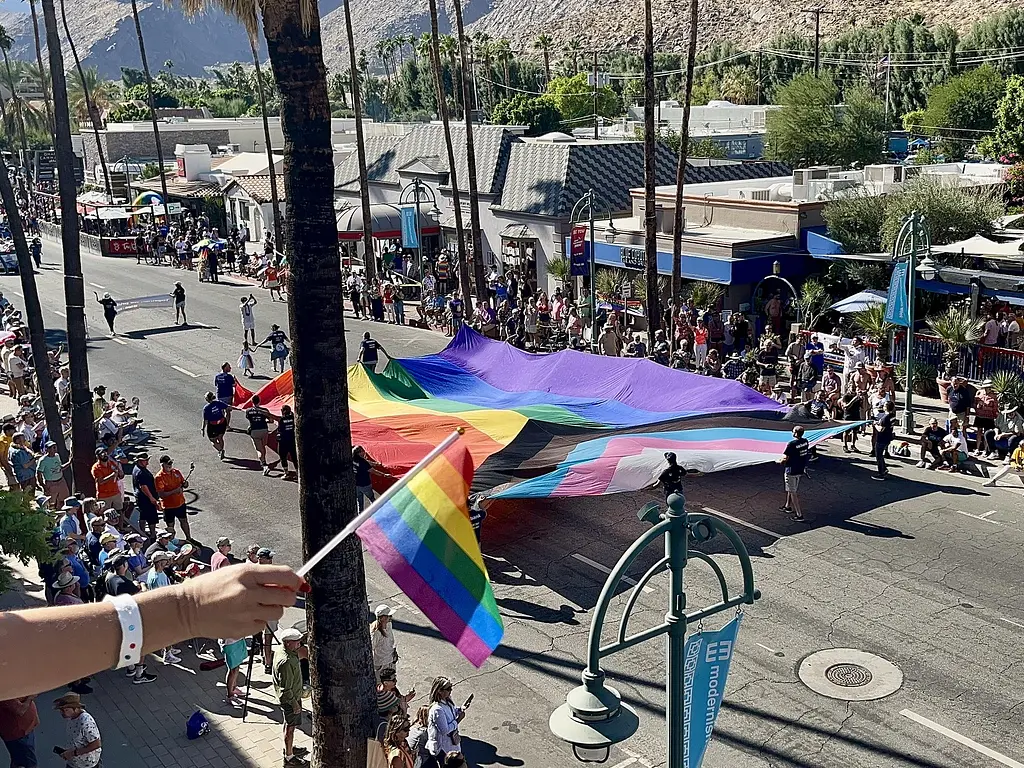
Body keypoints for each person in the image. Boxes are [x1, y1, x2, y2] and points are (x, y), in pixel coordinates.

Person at [273, 628, 309, 767]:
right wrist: (295, 704)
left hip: (292, 696)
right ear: (288, 643)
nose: (299, 643)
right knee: (291, 728)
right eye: (297, 641)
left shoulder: (283, 651)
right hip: (290, 700)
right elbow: (286, 689)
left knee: (288, 724)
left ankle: (288, 748)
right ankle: (289, 757)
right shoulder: (286, 661)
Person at [53, 693, 101, 768]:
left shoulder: (86, 722)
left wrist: (72, 753)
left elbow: (96, 744)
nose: (62, 713)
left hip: (86, 765)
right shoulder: (72, 717)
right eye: (61, 710)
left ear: (75, 708)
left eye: (65, 710)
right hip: (74, 762)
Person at [425, 677, 466, 764]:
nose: (450, 691)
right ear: (439, 691)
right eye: (448, 689)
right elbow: (445, 730)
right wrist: (458, 720)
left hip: (452, 743)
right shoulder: (437, 709)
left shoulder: (447, 700)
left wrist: (459, 710)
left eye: (451, 688)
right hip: (443, 748)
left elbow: (451, 712)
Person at [155, 455, 192, 542]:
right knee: (170, 526)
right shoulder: (159, 477)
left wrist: (186, 484)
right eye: (168, 463)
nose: (170, 465)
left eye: (171, 463)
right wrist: (174, 491)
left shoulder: (176, 472)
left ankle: (189, 538)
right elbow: (161, 495)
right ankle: (171, 541)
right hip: (169, 506)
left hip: (180, 503)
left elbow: (184, 483)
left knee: (184, 521)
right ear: (162, 464)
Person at [779, 425, 810, 521]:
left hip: (791, 470)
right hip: (800, 469)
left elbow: (785, 458)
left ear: (796, 433)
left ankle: (799, 514)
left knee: (793, 491)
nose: (792, 433)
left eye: (793, 431)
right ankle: (787, 506)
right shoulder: (805, 442)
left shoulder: (791, 444)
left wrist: (778, 461)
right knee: (791, 488)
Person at [0, 694, 39, 768]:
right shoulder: (6, 694)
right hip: (18, 734)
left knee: (18, 759)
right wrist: (30, 697)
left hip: (25, 729)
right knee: (28, 762)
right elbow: (20, 710)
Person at [243, 394, 277, 474]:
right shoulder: (264, 410)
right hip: (264, 430)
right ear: (259, 401)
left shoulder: (248, 411)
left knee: (259, 449)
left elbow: (249, 418)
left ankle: (264, 465)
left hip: (255, 431)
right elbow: (271, 421)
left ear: (252, 402)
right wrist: (265, 421)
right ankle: (264, 460)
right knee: (263, 446)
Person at [131, 453, 160, 540]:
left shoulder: (137, 469)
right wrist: (151, 498)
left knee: (143, 516)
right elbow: (143, 487)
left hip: (141, 498)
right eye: (145, 460)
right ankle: (152, 536)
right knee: (151, 518)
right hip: (146, 498)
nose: (147, 462)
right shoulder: (141, 472)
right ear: (139, 461)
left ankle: (142, 533)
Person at [353, 445, 389, 512]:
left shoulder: (353, 459)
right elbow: (373, 471)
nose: (364, 452)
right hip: (365, 484)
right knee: (372, 499)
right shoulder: (363, 462)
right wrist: (384, 475)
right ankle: (376, 512)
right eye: (362, 451)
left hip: (356, 484)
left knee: (359, 501)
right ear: (359, 453)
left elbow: (366, 462)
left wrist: (375, 464)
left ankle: (360, 515)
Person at [91, 447, 124, 518]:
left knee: (119, 511)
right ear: (98, 456)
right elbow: (100, 482)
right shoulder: (96, 468)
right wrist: (111, 476)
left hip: (115, 492)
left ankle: (120, 528)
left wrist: (120, 473)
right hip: (104, 495)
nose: (104, 454)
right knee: (105, 514)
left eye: (105, 452)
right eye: (102, 453)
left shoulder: (111, 463)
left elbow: (120, 474)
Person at [371, 604, 399, 681]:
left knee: (392, 681)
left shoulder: (389, 625)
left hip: (390, 660)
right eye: (389, 616)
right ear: (382, 618)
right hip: (381, 663)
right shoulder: (376, 632)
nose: (391, 617)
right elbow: (372, 647)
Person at [972, 379, 999, 456]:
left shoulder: (994, 395)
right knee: (979, 432)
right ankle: (977, 448)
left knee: (987, 433)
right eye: (987, 387)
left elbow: (995, 408)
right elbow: (974, 404)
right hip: (980, 416)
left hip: (989, 417)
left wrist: (986, 407)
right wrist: (978, 406)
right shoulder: (979, 393)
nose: (988, 389)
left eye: (989, 387)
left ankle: (985, 450)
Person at [872, 401, 896, 480]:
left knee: (879, 455)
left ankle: (881, 473)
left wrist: (875, 424)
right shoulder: (892, 416)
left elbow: (881, 429)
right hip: (888, 437)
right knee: (881, 455)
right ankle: (884, 469)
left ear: (886, 407)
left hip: (882, 438)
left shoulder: (886, 417)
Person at [202, 392, 230, 460]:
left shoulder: (206, 408)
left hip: (213, 426)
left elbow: (205, 420)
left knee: (213, 440)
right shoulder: (218, 403)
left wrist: (203, 429)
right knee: (220, 437)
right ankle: (221, 450)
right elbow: (228, 407)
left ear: (207, 399)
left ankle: (220, 450)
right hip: (222, 423)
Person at [276, 404, 298, 480]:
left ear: (283, 411)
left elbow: (279, 429)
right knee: (295, 458)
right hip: (292, 440)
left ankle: (286, 473)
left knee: (283, 457)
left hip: (283, 442)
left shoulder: (281, 419)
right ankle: (298, 473)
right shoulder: (293, 418)